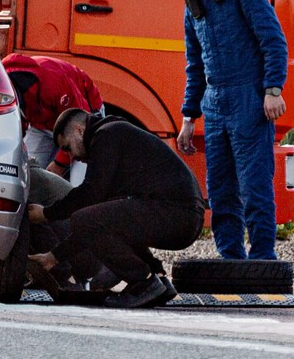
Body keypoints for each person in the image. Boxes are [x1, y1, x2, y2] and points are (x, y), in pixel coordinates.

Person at [143, 0, 288, 261]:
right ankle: (231, 259)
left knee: (254, 186)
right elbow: (195, 64)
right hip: (215, 104)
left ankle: (263, 259)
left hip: (248, 101)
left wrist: (272, 90)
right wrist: (188, 117)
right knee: (220, 189)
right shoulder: (192, 1)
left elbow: (273, 40)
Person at [38, 108, 202, 308]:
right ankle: (158, 280)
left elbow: (90, 194)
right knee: (105, 219)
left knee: (85, 218)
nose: (73, 157)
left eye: (68, 148)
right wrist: (53, 257)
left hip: (177, 215)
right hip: (182, 216)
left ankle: (144, 282)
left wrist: (47, 214)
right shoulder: (117, 136)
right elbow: (99, 221)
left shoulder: (106, 136)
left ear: (80, 130)